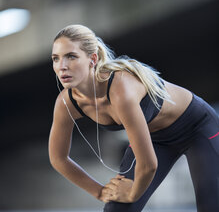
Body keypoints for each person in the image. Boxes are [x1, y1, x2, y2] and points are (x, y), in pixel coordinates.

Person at [49, 24, 219, 212]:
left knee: (210, 205)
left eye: (71, 56)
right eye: (56, 59)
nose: (61, 66)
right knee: (117, 210)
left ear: (92, 59)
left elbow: (148, 165)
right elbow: (58, 158)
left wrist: (132, 193)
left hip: (198, 128)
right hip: (154, 139)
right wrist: (100, 192)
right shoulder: (66, 103)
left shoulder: (120, 89)